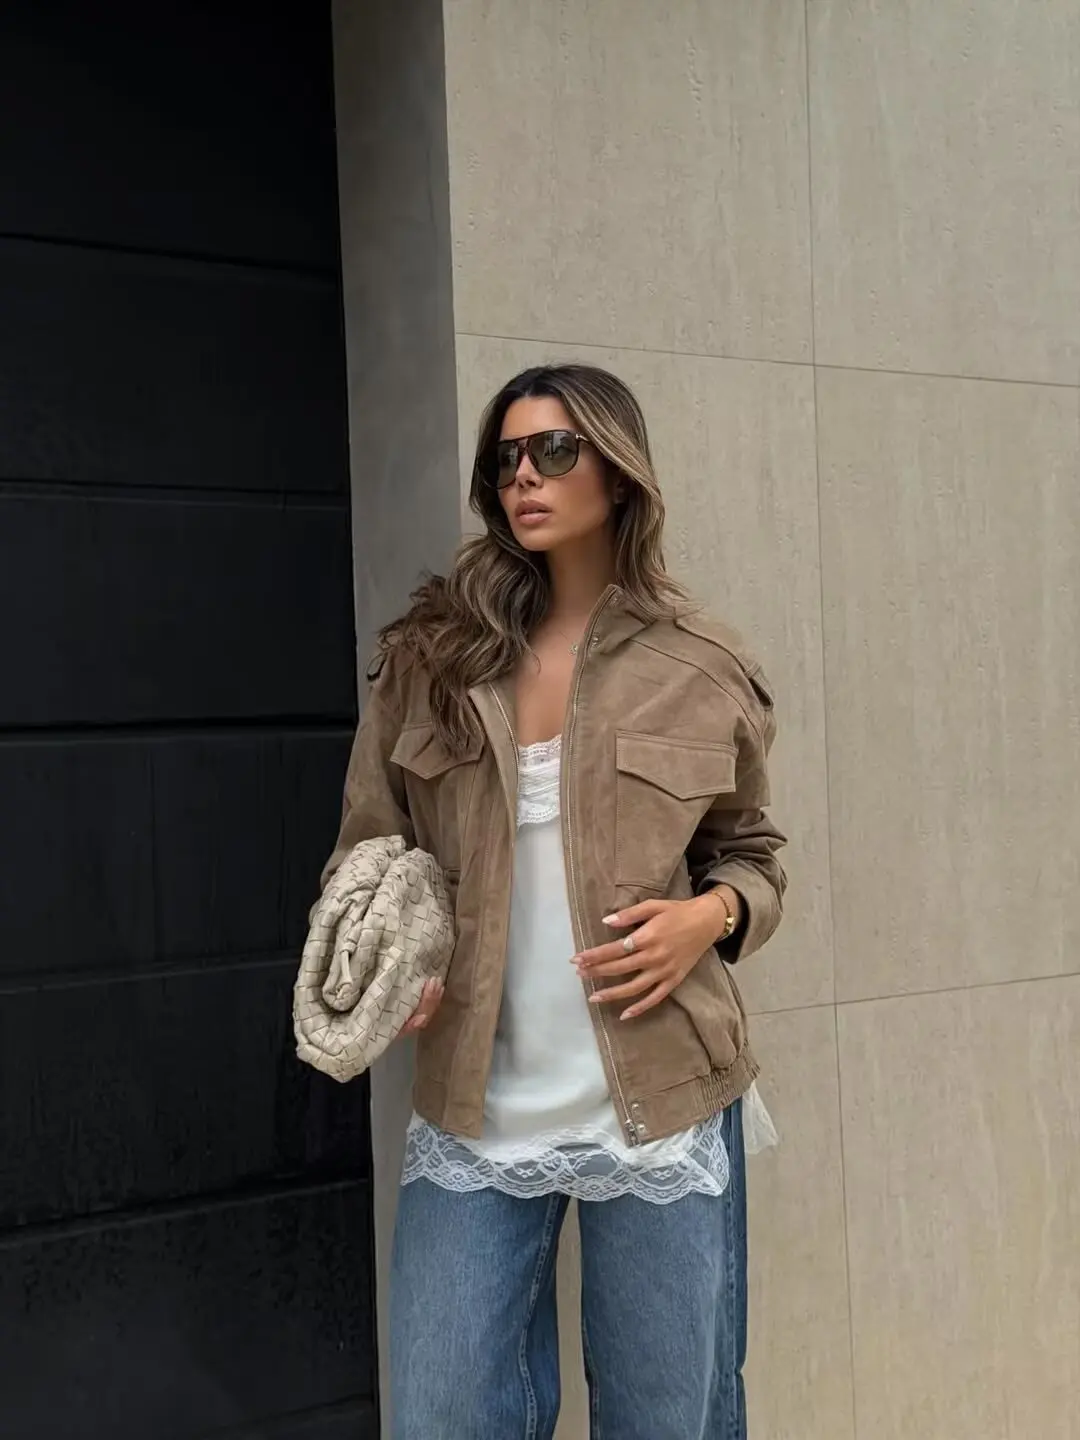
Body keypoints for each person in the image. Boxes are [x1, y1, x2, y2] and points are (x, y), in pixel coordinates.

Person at [319, 363, 786, 1440]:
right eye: (508, 458)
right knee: (440, 1411)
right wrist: (396, 955)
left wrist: (706, 919)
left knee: (668, 1419)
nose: (525, 475)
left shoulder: (703, 666)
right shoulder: (432, 658)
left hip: (660, 1095)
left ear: (617, 474)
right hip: (476, 1104)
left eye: (555, 451)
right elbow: (368, 850)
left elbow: (754, 856)